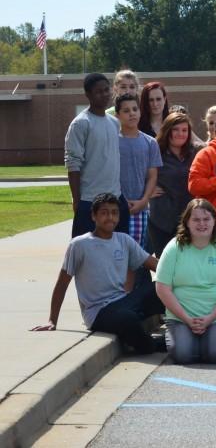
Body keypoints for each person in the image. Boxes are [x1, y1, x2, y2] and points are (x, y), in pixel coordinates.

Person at [31, 194, 164, 354]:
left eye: (114, 213)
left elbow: (157, 266)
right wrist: (52, 320)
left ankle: (192, 329)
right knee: (127, 319)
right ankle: (153, 345)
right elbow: (62, 283)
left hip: (124, 301)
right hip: (98, 312)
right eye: (104, 213)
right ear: (94, 216)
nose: (110, 217)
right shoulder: (80, 245)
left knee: (161, 287)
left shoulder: (124, 240)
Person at [155, 199, 216, 364]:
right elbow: (162, 287)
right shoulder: (174, 247)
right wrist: (186, 318)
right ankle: (194, 342)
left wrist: (211, 317)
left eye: (206, 219)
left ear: (214, 221)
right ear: (187, 222)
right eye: (196, 219)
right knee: (183, 356)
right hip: (182, 316)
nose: (202, 224)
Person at [65, 73, 129, 237]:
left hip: (116, 198)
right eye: (98, 91)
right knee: (86, 254)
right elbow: (73, 164)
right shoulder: (81, 123)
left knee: (119, 252)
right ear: (88, 94)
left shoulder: (114, 123)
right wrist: (78, 201)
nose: (104, 94)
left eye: (106, 90)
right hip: (90, 200)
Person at [148, 112, 203, 257]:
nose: (180, 134)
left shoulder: (196, 152)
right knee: (167, 262)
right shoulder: (155, 150)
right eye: (176, 129)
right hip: (162, 220)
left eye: (184, 130)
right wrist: (146, 190)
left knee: (189, 261)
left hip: (190, 219)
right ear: (167, 130)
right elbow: (136, 172)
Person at [115, 93, 162, 252]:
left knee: (137, 254)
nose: (132, 113)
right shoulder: (112, 141)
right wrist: (120, 200)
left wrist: (144, 200)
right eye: (126, 111)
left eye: (135, 109)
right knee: (117, 252)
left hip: (140, 208)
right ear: (117, 115)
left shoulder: (150, 142)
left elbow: (152, 175)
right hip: (116, 206)